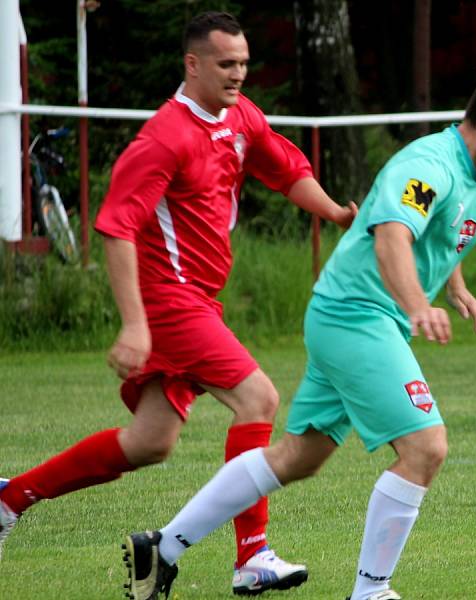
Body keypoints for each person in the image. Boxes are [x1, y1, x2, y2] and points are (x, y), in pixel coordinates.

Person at [120, 60, 476, 600]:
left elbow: (444, 234)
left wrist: (456, 288)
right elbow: (393, 236)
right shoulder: (429, 165)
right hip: (357, 314)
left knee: (297, 457)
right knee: (425, 448)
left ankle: (161, 547)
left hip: (351, 317)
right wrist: (417, 303)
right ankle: (371, 592)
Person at [0, 10, 356, 597]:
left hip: (199, 302)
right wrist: (135, 324)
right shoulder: (164, 136)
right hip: (169, 302)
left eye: (243, 62)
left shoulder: (239, 116)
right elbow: (115, 229)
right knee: (258, 397)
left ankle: (11, 498)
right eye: (225, 64)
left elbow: (284, 168)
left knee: (150, 442)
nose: (238, 74)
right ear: (192, 65)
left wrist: (335, 213)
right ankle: (253, 555)